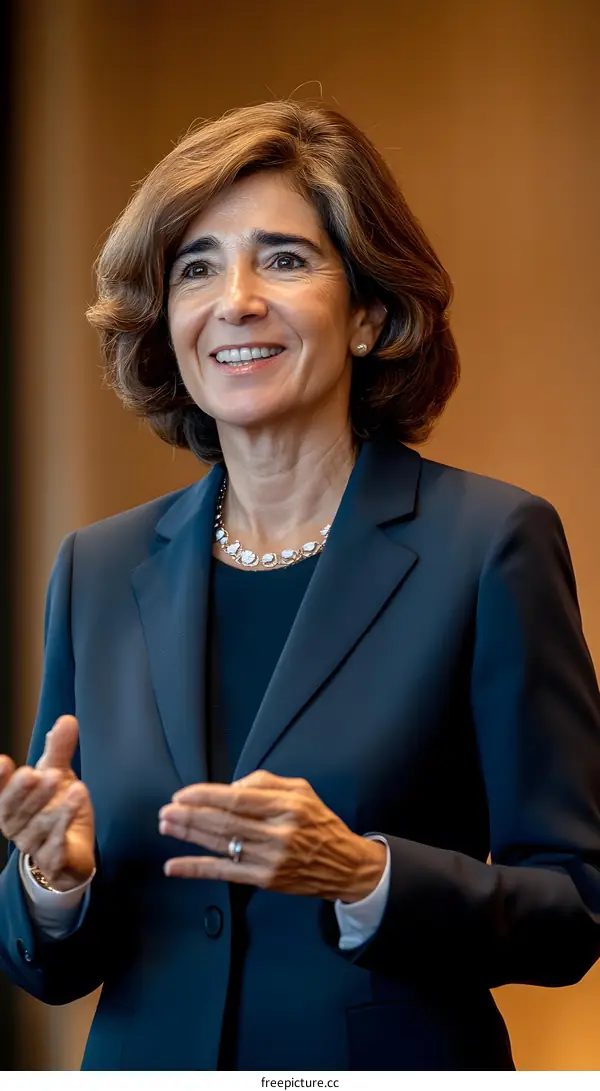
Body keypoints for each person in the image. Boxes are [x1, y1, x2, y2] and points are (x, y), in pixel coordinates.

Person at [1, 100, 600, 1073]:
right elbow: (49, 967)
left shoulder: (491, 543)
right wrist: (51, 878)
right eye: (196, 266)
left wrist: (367, 875)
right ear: (170, 321)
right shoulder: (98, 568)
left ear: (368, 313)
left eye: (282, 258)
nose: (234, 298)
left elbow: (574, 904)